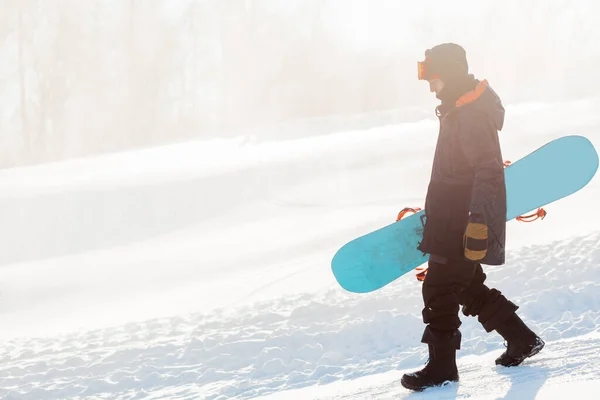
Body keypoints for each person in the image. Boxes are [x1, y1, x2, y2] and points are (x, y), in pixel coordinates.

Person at [400, 43, 545, 392]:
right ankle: (522, 339)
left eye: (433, 78)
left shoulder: (470, 114)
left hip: (463, 219)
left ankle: (442, 369)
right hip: (453, 214)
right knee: (465, 285)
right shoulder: (458, 109)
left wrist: (477, 219)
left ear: (448, 75)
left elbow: (488, 170)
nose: (430, 86)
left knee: (438, 287)